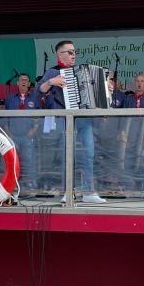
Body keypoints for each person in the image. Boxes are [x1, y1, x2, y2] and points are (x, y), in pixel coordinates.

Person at [38, 40, 105, 204]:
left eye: (75, 52)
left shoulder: (83, 71)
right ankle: (68, 192)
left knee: (89, 154)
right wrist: (51, 82)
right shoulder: (53, 72)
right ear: (60, 54)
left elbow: (96, 94)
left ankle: (89, 192)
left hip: (84, 119)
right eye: (70, 52)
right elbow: (39, 90)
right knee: (68, 155)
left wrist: (106, 90)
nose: (73, 55)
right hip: (65, 119)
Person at [4, 74, 41, 191]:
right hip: (13, 135)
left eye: (26, 80)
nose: (24, 82)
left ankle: (30, 184)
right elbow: (5, 117)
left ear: (29, 84)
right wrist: (8, 133)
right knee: (13, 161)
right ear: (18, 83)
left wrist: (34, 130)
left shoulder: (34, 99)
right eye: (21, 80)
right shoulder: (10, 98)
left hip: (27, 136)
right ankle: (13, 184)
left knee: (29, 161)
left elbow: (38, 117)